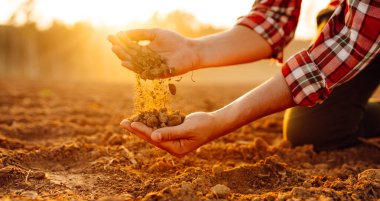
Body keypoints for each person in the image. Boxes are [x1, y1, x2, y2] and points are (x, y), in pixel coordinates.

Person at [109, 0, 380, 157]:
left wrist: (219, 121)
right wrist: (194, 50)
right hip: (351, 20)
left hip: (367, 24)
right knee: (316, 130)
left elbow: (346, 47)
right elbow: (273, 18)